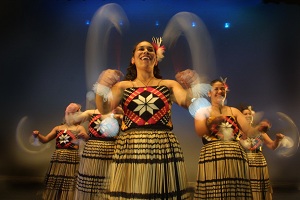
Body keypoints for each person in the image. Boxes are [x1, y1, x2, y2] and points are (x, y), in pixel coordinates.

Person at [92, 37, 205, 199]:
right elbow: (103, 108)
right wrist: (102, 86)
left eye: (150, 49)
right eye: (141, 49)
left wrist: (194, 86)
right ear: (133, 59)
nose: (146, 51)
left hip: (163, 146)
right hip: (131, 147)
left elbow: (187, 102)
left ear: (156, 59)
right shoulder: (122, 86)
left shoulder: (169, 84)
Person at [192, 78, 270, 199]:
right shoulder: (203, 111)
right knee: (215, 192)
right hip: (212, 155)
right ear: (209, 93)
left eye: (222, 89)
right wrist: (213, 122)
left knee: (234, 193)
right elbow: (200, 131)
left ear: (226, 91)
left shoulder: (234, 111)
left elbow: (249, 131)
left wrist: (259, 129)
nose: (219, 91)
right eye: (216, 89)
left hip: (234, 156)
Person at [32, 103, 89, 200]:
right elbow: (45, 139)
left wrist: (84, 136)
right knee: (57, 180)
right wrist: (37, 135)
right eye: (69, 113)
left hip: (71, 158)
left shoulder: (79, 128)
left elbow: (87, 139)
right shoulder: (58, 128)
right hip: (58, 158)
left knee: (69, 181)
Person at [74, 106, 123, 200]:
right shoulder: (90, 113)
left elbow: (129, 121)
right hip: (91, 150)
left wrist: (121, 112)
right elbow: (74, 121)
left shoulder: (118, 113)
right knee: (89, 180)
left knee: (108, 181)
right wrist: (75, 112)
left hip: (110, 150)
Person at [239, 105, 285, 200]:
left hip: (258, 162)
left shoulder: (260, 131)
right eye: (245, 114)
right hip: (243, 162)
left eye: (249, 113)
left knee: (259, 189)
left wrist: (277, 139)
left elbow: (272, 146)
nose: (248, 115)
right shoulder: (237, 131)